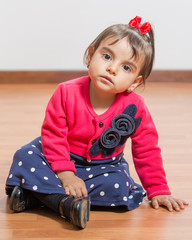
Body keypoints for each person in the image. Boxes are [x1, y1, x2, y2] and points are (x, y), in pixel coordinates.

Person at [5, 16, 188, 229]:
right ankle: (65, 203)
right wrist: (66, 175)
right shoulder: (66, 92)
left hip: (103, 166)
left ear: (135, 81)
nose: (112, 69)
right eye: (107, 56)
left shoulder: (136, 107)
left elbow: (147, 150)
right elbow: (54, 136)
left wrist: (159, 190)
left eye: (126, 68)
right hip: (59, 157)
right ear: (91, 55)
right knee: (25, 156)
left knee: (119, 186)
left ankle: (36, 197)